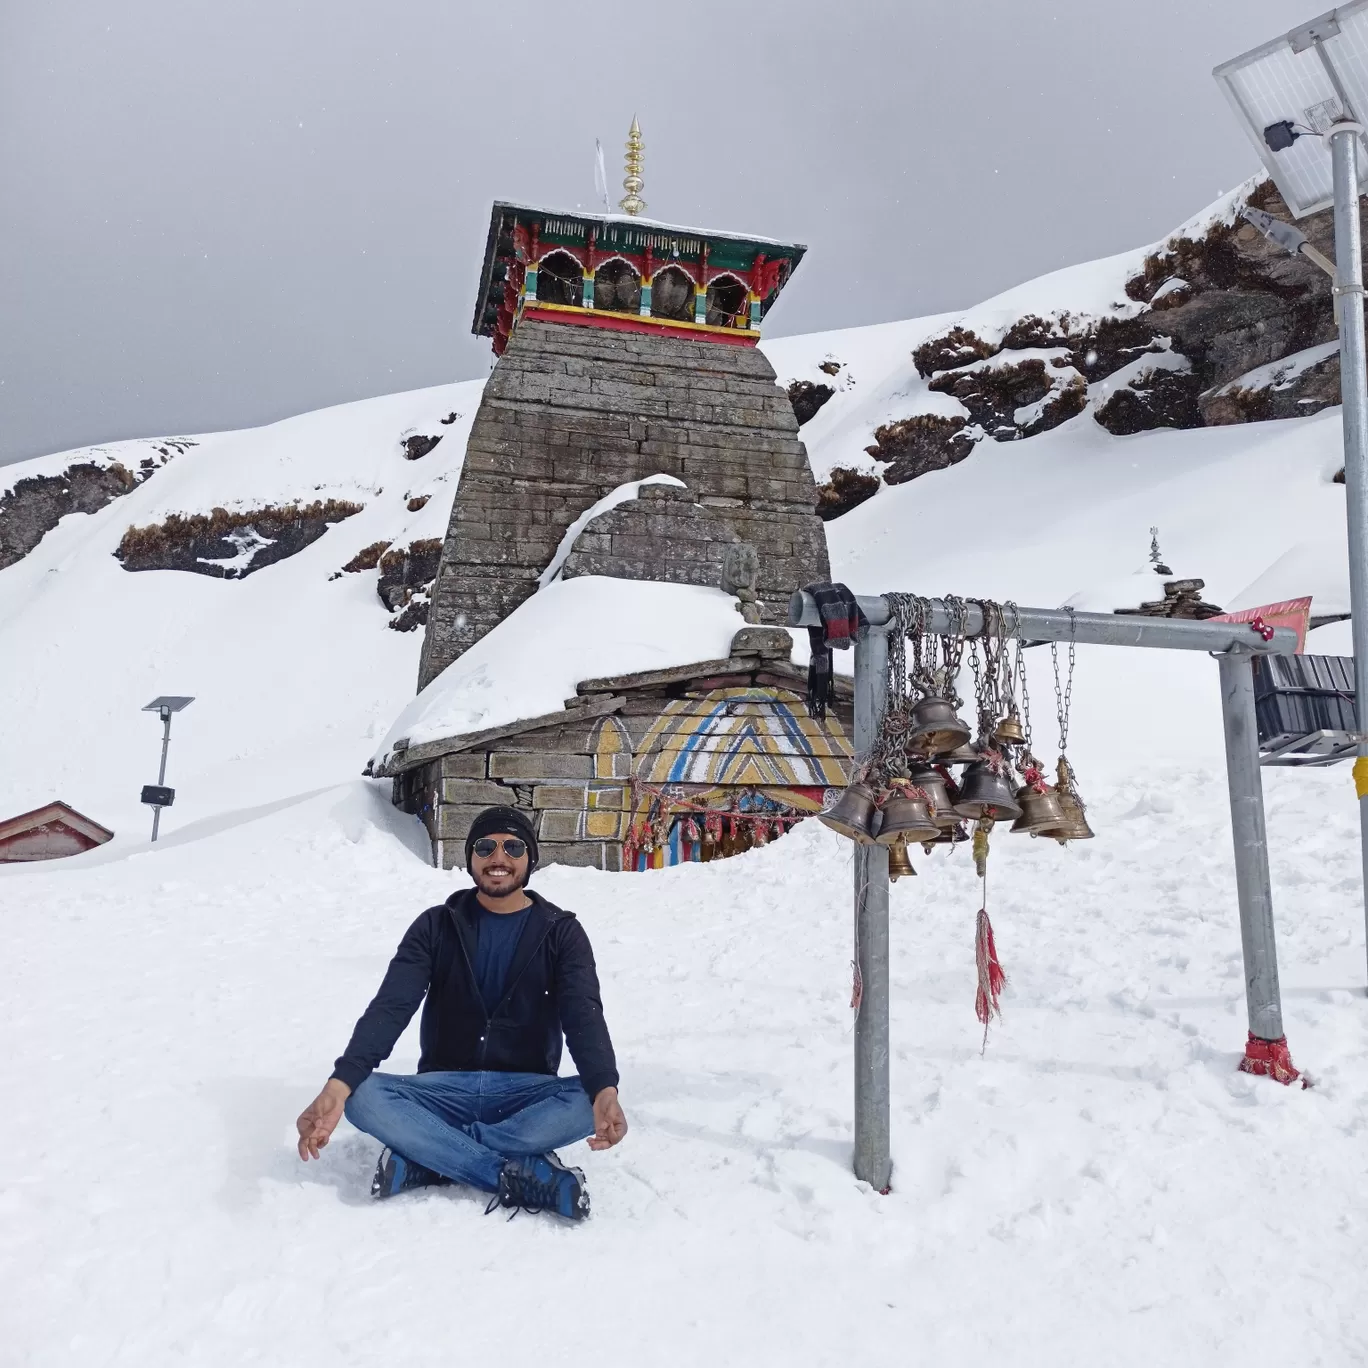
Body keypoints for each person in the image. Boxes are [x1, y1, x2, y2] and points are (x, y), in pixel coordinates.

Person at [295, 805, 627, 1221]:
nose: (498, 857)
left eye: (513, 846)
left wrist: (605, 1090)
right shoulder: (436, 926)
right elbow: (391, 1006)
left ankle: (430, 1153)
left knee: (588, 1098)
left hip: (524, 1092)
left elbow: (584, 1015)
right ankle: (502, 1170)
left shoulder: (561, 933)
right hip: (443, 1089)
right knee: (360, 1095)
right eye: (486, 846)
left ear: (531, 859)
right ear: (470, 858)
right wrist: (339, 1084)